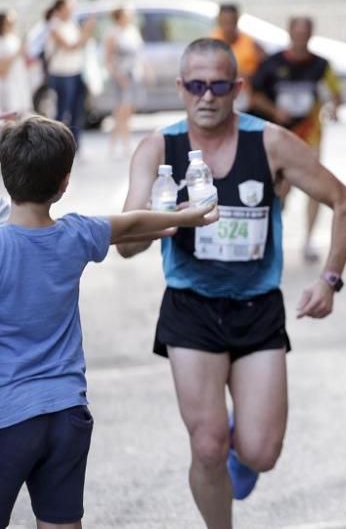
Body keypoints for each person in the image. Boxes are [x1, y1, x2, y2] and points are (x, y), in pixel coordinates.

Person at [117, 38, 346, 527]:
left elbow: (345, 202)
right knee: (206, 446)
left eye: (219, 85)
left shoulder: (269, 143)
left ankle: (241, 446)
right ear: (182, 88)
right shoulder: (158, 149)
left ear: (238, 88)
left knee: (262, 451)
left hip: (256, 308)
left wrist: (330, 280)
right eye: (197, 86)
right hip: (191, 307)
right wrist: (165, 221)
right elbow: (125, 244)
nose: (208, 96)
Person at [0, 115, 217, 529]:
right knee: (61, 521)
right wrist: (187, 218)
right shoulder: (76, 235)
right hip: (66, 411)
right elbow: (133, 222)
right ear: (65, 183)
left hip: (8, 415)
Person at [250, 16, 343, 263]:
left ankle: (309, 239)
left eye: (305, 33)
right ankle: (273, 237)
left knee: (315, 187)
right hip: (280, 135)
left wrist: (333, 106)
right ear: (289, 33)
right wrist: (274, 111)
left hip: (310, 135)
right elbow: (253, 95)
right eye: (297, 33)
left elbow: (335, 93)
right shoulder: (272, 63)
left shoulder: (322, 65)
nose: (300, 37)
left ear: (311, 35)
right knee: (280, 188)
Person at [44, 0, 96, 147]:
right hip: (61, 74)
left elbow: (81, 44)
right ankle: (57, 145)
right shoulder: (54, 26)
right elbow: (70, 46)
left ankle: (74, 145)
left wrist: (86, 33)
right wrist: (85, 31)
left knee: (77, 111)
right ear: (60, 8)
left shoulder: (71, 23)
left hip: (76, 72)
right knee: (62, 111)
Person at [104, 6, 145, 159]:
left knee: (128, 112)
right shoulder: (113, 34)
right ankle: (122, 144)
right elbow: (108, 59)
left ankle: (117, 143)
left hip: (133, 74)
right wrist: (118, 76)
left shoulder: (132, 31)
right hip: (121, 77)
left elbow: (139, 54)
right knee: (121, 111)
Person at [211, 3, 264, 111]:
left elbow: (265, 71)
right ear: (218, 20)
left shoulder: (251, 44)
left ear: (237, 20)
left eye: (231, 22)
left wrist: (251, 77)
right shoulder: (210, 44)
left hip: (248, 101)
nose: (228, 27)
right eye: (224, 22)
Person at [0, 10, 32, 116]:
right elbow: (2, 69)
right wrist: (16, 54)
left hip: (20, 84)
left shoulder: (14, 39)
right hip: (8, 88)